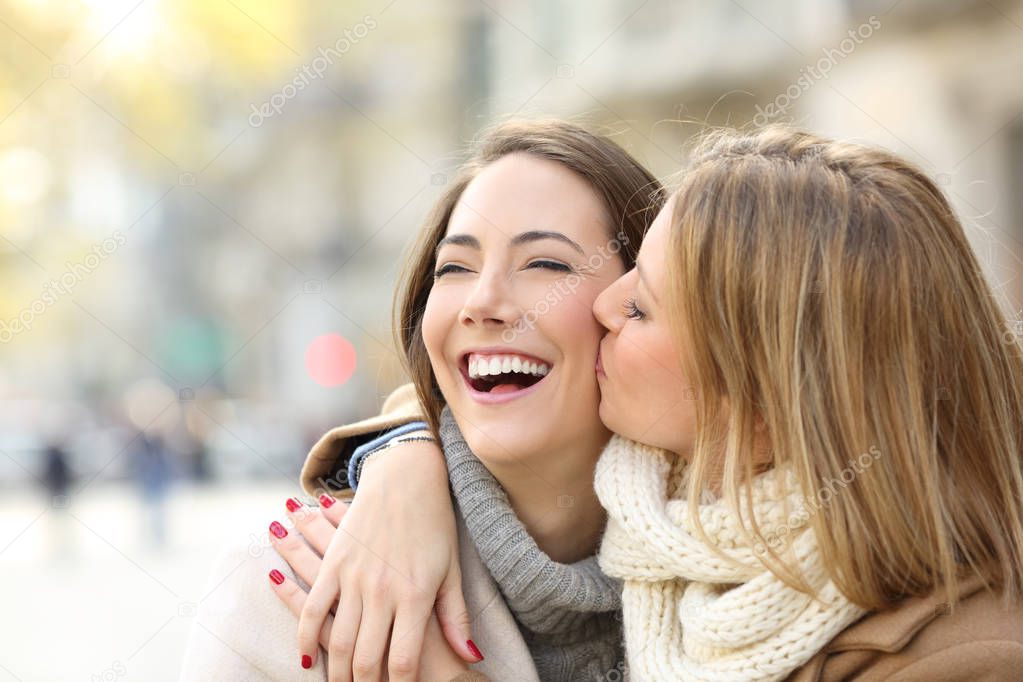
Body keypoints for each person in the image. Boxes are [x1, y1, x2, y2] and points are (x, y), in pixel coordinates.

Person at [283, 127, 1023, 680]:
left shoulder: (969, 654)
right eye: (455, 265)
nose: (598, 305)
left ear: (762, 392)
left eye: (639, 307)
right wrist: (402, 458)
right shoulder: (669, 520)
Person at [180, 118, 664, 681]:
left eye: (546, 264)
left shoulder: (753, 568)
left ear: (641, 305)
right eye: (455, 267)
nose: (482, 302)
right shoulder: (290, 591)